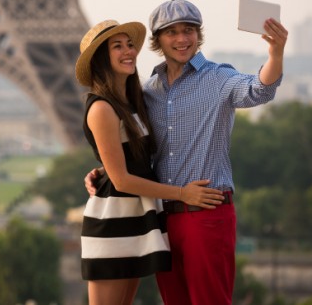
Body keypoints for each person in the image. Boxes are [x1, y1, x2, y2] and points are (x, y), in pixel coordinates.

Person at [84, 0, 288, 305]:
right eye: (172, 32)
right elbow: (133, 150)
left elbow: (259, 89)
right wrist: (106, 173)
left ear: (198, 35)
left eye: (189, 30)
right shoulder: (148, 91)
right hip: (162, 218)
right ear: (157, 41)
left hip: (205, 212)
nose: (182, 39)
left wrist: (276, 53)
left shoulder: (219, 79)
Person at [75, 19, 225, 305]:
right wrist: (183, 193)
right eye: (117, 47)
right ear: (100, 59)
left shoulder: (132, 103)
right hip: (114, 222)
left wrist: (103, 169)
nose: (128, 51)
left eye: (129, 44)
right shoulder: (102, 108)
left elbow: (132, 161)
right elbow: (122, 180)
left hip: (137, 218)